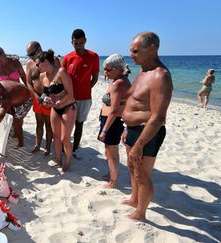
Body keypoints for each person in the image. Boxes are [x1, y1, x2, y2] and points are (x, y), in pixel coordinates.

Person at [121, 32, 173, 221]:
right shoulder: (143, 72)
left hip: (148, 132)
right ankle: (135, 198)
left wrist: (140, 143)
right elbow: (133, 101)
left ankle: (141, 212)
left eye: (135, 51)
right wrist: (127, 128)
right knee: (131, 166)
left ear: (152, 49)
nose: (131, 54)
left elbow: (158, 117)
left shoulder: (161, 76)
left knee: (142, 174)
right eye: (131, 51)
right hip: (133, 129)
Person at [37, 50, 76, 172]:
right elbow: (44, 93)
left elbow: (70, 94)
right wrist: (43, 101)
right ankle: (58, 159)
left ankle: (68, 160)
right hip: (55, 108)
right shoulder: (43, 76)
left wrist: (59, 102)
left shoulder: (61, 72)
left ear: (46, 62)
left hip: (68, 107)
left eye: (39, 64)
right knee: (56, 136)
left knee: (65, 138)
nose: (37, 67)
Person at [62, 29, 99, 156]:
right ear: (71, 42)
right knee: (66, 123)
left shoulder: (93, 56)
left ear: (85, 41)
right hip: (68, 97)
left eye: (81, 43)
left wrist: (86, 89)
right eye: (76, 43)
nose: (78, 46)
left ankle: (75, 148)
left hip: (84, 98)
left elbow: (95, 78)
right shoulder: (67, 58)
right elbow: (62, 78)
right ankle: (64, 146)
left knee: (79, 123)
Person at [98, 54, 131, 188]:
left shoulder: (118, 84)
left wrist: (104, 130)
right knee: (109, 151)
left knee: (111, 152)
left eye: (108, 69)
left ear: (118, 69)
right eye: (104, 69)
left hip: (112, 122)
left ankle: (113, 181)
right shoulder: (122, 80)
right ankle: (111, 174)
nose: (105, 72)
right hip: (112, 121)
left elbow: (114, 110)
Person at [25, 41, 60, 155]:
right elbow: (28, 83)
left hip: (49, 97)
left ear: (39, 49)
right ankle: (37, 145)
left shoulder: (53, 60)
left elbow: (59, 78)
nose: (31, 57)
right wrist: (36, 95)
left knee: (48, 124)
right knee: (39, 123)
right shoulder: (30, 64)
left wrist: (49, 95)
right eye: (29, 55)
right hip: (36, 98)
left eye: (32, 53)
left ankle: (48, 147)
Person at [0, 46, 28, 146]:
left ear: (3, 53)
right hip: (6, 97)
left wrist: (29, 88)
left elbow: (23, 76)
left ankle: (17, 134)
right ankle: (13, 134)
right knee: (11, 117)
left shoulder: (15, 62)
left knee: (19, 118)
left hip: (19, 95)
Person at [0, 81, 32, 147]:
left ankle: (21, 143)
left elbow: (1, 114)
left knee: (16, 122)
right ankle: (16, 133)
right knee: (13, 117)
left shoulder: (7, 94)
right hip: (16, 97)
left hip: (26, 100)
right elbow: (1, 96)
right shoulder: (0, 87)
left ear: (0, 89)